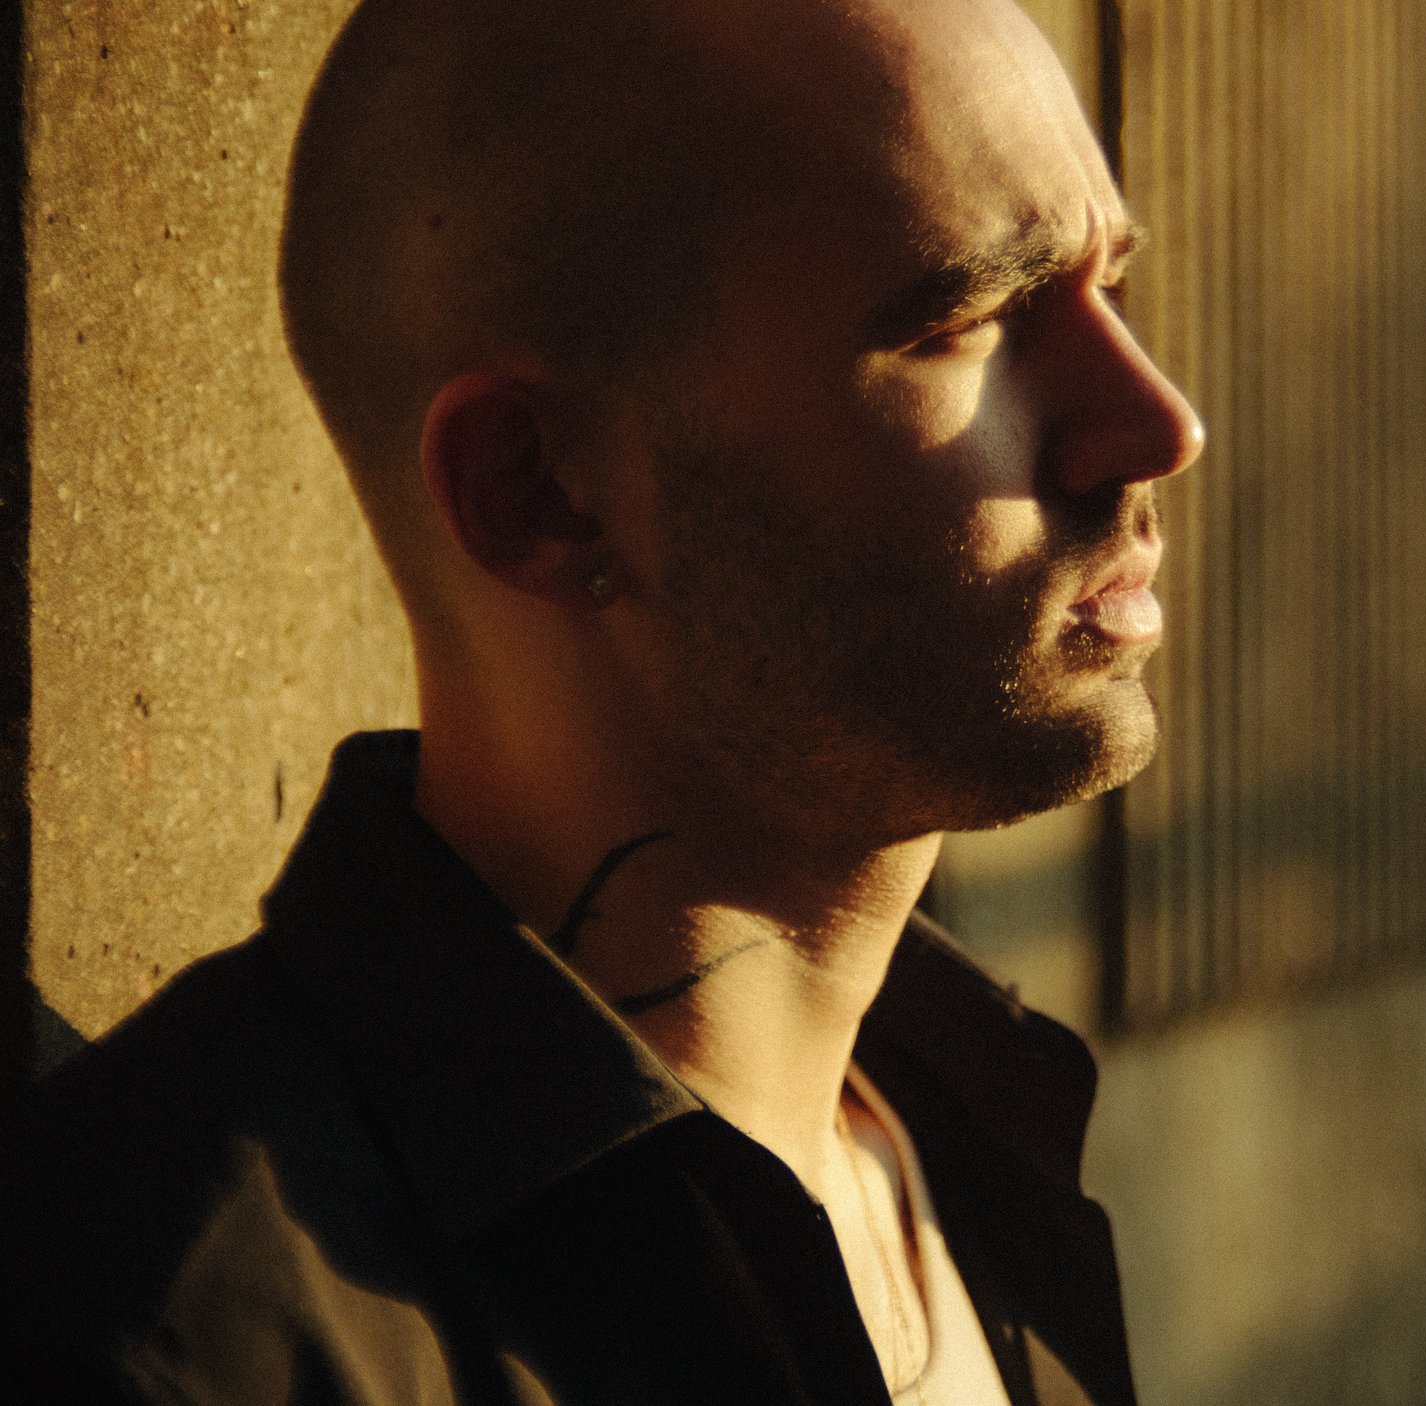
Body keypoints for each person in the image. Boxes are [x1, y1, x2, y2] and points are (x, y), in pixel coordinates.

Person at [0, 0, 1202, 1401]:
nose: (1158, 423)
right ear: (539, 491)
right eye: (970, 319)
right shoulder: (185, 1337)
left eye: (1110, 284)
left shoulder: (978, 1142)